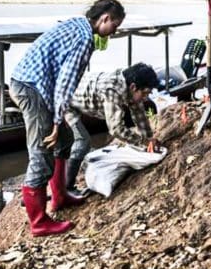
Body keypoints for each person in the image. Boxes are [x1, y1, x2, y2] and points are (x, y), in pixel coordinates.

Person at [10, 0, 125, 237]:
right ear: (104, 18)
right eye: (114, 26)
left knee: (64, 140)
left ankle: (60, 196)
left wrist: (58, 123)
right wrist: (55, 120)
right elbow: (65, 83)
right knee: (42, 152)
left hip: (33, 84)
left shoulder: (78, 23)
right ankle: (39, 222)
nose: (113, 32)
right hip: (31, 88)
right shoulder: (84, 40)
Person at [60, 62, 160, 192]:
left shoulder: (129, 87)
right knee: (83, 141)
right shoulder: (112, 90)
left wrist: (149, 138)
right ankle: (67, 187)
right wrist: (143, 142)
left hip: (82, 96)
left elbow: (139, 115)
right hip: (67, 101)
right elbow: (115, 129)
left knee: (80, 143)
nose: (146, 98)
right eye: (145, 93)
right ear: (133, 87)